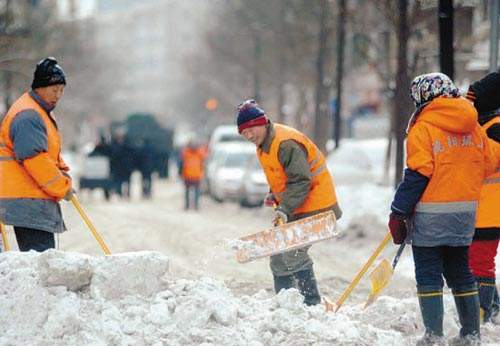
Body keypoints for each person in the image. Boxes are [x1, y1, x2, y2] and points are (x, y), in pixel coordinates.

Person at [388, 73, 497, 345]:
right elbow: (486, 165)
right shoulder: (473, 127)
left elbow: (418, 173)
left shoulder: (422, 128)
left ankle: (433, 336)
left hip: (431, 215)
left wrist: (398, 211)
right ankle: (471, 334)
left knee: (428, 274)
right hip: (465, 216)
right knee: (461, 272)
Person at [236, 99, 342, 306]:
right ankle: (286, 304)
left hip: (317, 205)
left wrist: (284, 207)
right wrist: (274, 194)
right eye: (244, 132)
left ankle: (311, 304)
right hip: (299, 206)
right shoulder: (264, 145)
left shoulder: (285, 143)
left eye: (252, 129)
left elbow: (301, 180)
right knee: (278, 256)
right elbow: (284, 176)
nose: (249, 135)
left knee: (293, 252)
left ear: (263, 122)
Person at [0, 57, 73, 252]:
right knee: (40, 262)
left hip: (30, 196)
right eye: (54, 90)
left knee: (38, 261)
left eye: (61, 90)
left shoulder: (38, 111)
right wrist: (61, 186)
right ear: (39, 87)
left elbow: (48, 153)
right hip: (27, 198)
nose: (58, 95)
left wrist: (62, 172)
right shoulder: (28, 115)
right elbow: (35, 159)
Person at [466, 71, 500, 324]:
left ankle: (482, 316)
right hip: (483, 209)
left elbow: (484, 165)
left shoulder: (493, 129)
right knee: (477, 261)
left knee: (481, 264)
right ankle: (493, 308)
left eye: (473, 100)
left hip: (490, 210)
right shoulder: (486, 126)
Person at [179, 140, 204, 210]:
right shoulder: (199, 153)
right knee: (195, 193)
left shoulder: (186, 153)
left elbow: (181, 164)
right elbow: (202, 164)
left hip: (190, 176)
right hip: (194, 175)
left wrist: (180, 173)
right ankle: (195, 206)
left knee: (188, 192)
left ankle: (188, 206)